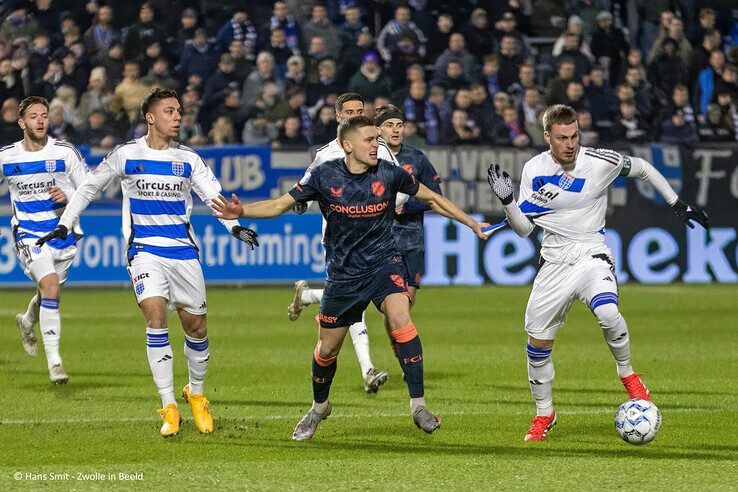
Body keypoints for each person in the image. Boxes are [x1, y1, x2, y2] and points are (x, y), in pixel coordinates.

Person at [211, 115, 489, 440]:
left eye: (377, 139)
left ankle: (418, 405)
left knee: (402, 318)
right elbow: (279, 205)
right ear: (348, 145)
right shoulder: (324, 176)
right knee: (327, 351)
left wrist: (471, 223)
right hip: (343, 276)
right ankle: (319, 408)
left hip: (384, 264)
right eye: (370, 139)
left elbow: (431, 198)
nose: (377, 145)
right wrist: (241, 211)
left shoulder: (389, 173)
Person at [36, 88, 259, 437]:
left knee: (197, 328)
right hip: (144, 252)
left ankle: (196, 394)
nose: (178, 117)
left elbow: (214, 198)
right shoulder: (126, 154)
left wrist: (235, 228)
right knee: (155, 317)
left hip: (184, 252)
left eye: (179, 111)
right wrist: (66, 220)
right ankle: (169, 405)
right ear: (151, 117)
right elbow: (89, 187)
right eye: (170, 111)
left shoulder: (190, 160)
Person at [485, 104, 709, 441]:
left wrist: (677, 202)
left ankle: (628, 375)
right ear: (547, 137)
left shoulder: (600, 161)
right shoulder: (534, 169)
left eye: (575, 135)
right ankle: (545, 414)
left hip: (592, 253)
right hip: (554, 263)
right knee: (537, 343)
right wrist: (508, 202)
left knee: (607, 310)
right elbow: (523, 229)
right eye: (562, 138)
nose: (571, 143)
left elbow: (644, 168)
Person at [288, 92, 403, 395]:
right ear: (338, 117)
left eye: (358, 110)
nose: (353, 115)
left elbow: (398, 185)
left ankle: (310, 295)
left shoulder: (379, 149)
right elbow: (303, 190)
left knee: (356, 301)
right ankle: (368, 369)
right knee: (357, 306)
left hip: (377, 233)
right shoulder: (325, 155)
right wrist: (299, 204)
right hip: (340, 238)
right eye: (348, 111)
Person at [0, 96, 88, 384]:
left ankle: (26, 322)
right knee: (49, 286)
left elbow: (88, 191)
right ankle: (55, 362)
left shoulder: (65, 153)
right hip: (28, 234)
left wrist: (69, 197)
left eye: (45, 115)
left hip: (63, 235)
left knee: (49, 293)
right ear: (21, 122)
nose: (41, 120)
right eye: (34, 116)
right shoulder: (7, 157)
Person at [374, 104, 442, 319]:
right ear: (378, 130)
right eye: (389, 125)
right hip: (379, 243)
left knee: (405, 304)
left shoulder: (417, 158)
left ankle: (399, 342)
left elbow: (435, 196)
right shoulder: (370, 158)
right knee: (392, 306)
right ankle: (404, 346)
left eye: (400, 125)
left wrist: (409, 205)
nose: (395, 130)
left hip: (412, 241)